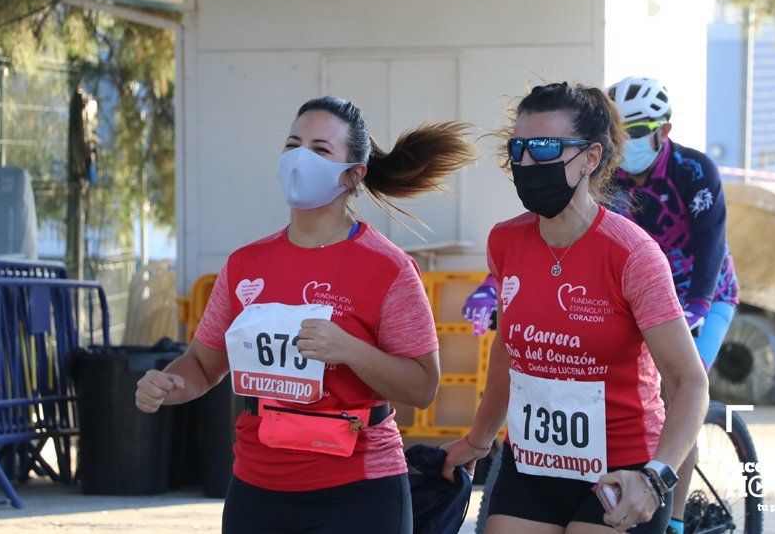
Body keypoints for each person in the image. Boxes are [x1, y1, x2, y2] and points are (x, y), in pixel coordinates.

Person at [134, 96, 477, 534]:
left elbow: (422, 387)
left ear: (353, 174)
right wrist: (170, 384)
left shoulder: (389, 268)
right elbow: (203, 363)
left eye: (319, 149)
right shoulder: (246, 264)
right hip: (257, 487)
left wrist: (351, 350)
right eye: (292, 144)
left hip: (359, 491)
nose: (299, 158)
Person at [443, 82, 709, 534]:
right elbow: (508, 354)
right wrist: (477, 441)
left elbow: (688, 381)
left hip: (622, 470)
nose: (527, 162)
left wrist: (656, 475)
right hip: (534, 464)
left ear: (590, 158)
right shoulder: (505, 241)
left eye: (545, 148)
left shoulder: (632, 254)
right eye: (519, 149)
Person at [606, 76, 740, 534]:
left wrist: (699, 304)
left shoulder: (694, 170)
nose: (628, 143)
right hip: (645, 298)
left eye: (638, 131)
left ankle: (676, 520)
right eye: (618, 134)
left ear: (664, 129)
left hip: (705, 295)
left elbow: (711, 244)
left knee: (679, 394)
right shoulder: (609, 177)